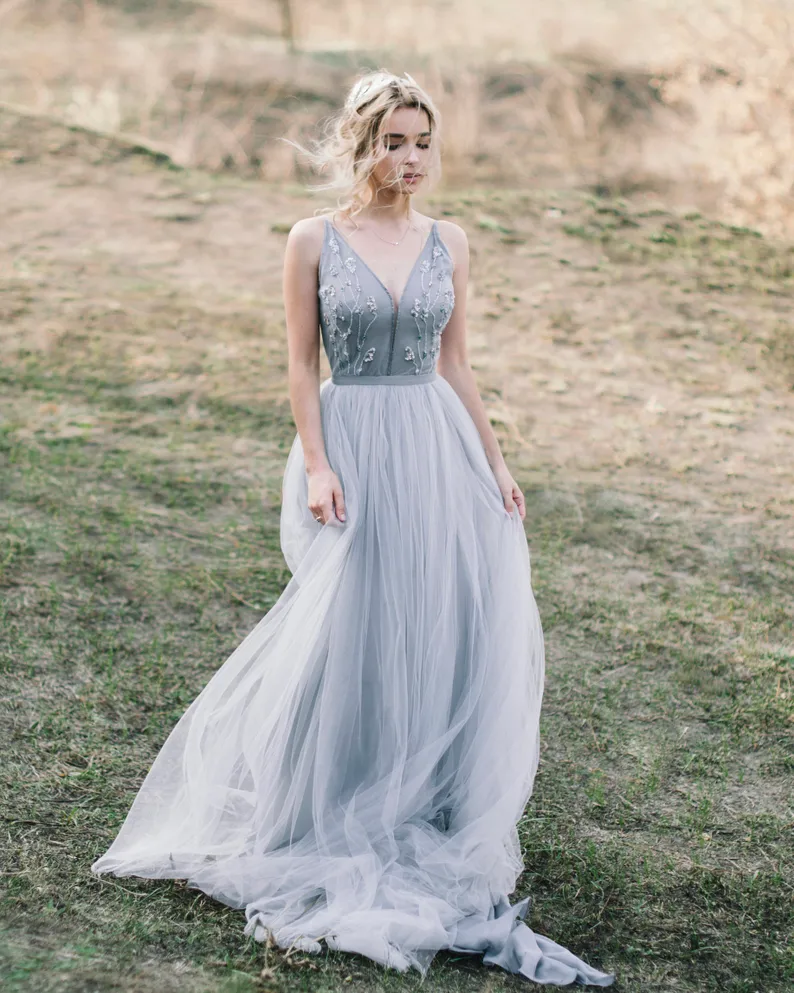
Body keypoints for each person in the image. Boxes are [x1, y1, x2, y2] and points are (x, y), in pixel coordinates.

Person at [91, 69, 615, 987]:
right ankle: (317, 804)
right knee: (347, 621)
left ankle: (424, 798)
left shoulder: (451, 240)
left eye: (422, 143)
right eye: (394, 142)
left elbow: (456, 364)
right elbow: (298, 365)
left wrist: (496, 462)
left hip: (436, 443)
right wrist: (322, 462)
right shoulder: (312, 240)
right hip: (354, 441)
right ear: (361, 143)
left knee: (437, 620)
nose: (411, 160)